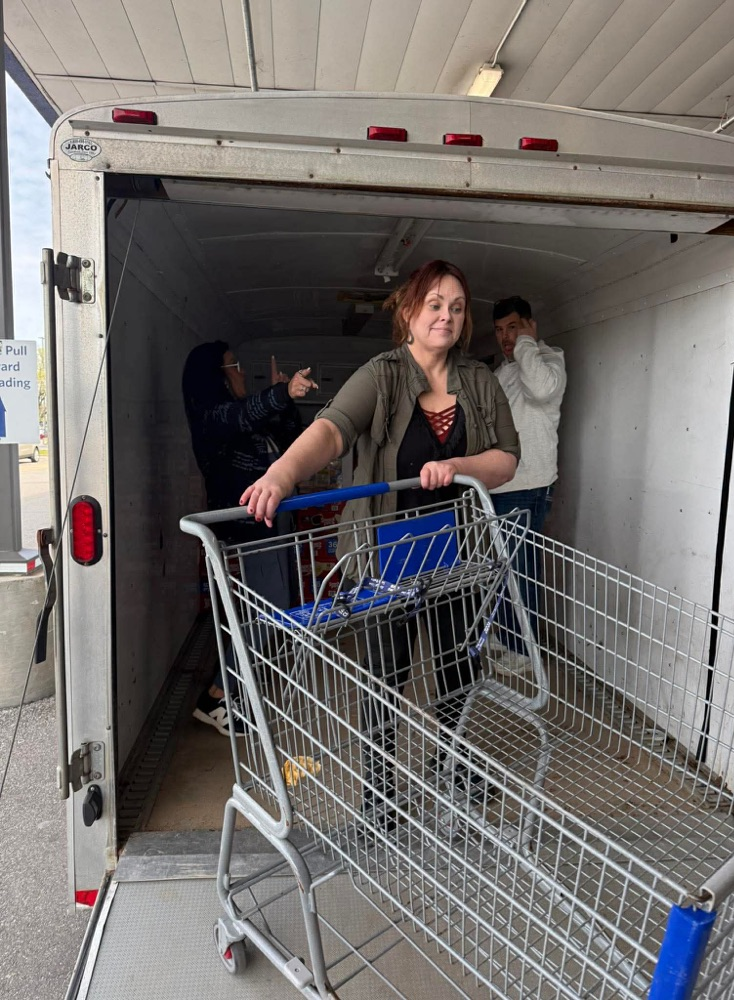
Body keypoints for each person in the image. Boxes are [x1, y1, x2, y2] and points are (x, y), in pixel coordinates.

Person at [240, 260, 519, 822]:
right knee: (383, 674)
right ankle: (381, 790)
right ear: (410, 313)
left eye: (457, 308)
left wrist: (458, 465)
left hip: (454, 551)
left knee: (456, 668)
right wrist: (282, 476)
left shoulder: (480, 381)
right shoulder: (383, 373)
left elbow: (507, 459)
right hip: (385, 552)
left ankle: (456, 767)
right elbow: (332, 429)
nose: (446, 316)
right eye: (435, 304)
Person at [182, 342, 317, 735]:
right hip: (249, 524)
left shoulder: (245, 418)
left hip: (270, 519)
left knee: (271, 606)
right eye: (234, 365)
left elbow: (292, 439)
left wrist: (285, 403)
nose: (241, 372)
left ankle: (229, 689)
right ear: (216, 376)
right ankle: (217, 696)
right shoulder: (212, 415)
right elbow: (241, 413)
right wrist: (281, 392)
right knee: (269, 609)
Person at [489, 296, 567, 665]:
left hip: (529, 485)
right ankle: (507, 638)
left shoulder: (549, 360)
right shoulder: (504, 371)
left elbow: (541, 389)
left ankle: (525, 650)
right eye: (501, 331)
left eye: (513, 327)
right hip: (499, 484)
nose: (507, 337)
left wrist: (526, 343)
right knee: (502, 568)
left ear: (530, 326)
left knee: (521, 569)